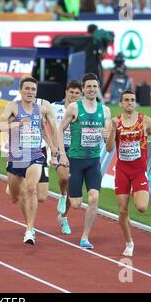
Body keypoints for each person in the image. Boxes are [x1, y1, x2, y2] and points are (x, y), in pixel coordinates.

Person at [0, 76, 55, 245]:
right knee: (15, 196)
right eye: (26, 89)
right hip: (16, 158)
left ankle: (29, 229)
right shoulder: (13, 107)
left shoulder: (40, 110)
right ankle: (12, 189)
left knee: (31, 188)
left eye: (33, 90)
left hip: (35, 156)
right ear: (20, 91)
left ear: (36, 93)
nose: (30, 92)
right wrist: (17, 125)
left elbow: (42, 131)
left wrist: (53, 147)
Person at [106, 90, 151, 256]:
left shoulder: (144, 121)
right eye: (126, 100)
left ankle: (137, 192)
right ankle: (129, 242)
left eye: (132, 100)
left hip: (139, 171)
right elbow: (109, 148)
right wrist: (113, 130)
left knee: (141, 207)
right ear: (121, 104)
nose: (130, 102)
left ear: (135, 102)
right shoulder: (115, 121)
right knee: (123, 211)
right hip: (122, 171)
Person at [56, 73, 111, 249]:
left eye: (95, 86)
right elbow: (59, 129)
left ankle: (85, 237)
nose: (92, 89)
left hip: (94, 161)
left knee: (94, 198)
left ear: (98, 88)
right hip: (76, 161)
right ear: (83, 88)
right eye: (88, 86)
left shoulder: (105, 110)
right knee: (76, 204)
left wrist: (107, 135)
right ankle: (63, 215)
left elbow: (109, 141)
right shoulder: (74, 108)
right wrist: (62, 154)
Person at [52, 79, 82, 235]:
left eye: (77, 93)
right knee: (63, 177)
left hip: (77, 151)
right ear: (66, 92)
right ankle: (62, 195)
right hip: (59, 149)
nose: (74, 95)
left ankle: (63, 217)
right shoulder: (54, 107)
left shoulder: (83, 111)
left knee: (74, 191)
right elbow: (45, 123)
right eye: (71, 92)